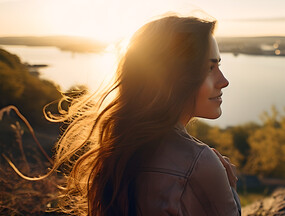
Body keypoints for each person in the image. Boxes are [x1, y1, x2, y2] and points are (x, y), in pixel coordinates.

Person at [46, 13, 241, 215]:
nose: (223, 81)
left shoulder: (116, 149)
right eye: (209, 68)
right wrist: (230, 189)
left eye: (219, 65)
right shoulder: (200, 162)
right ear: (175, 76)